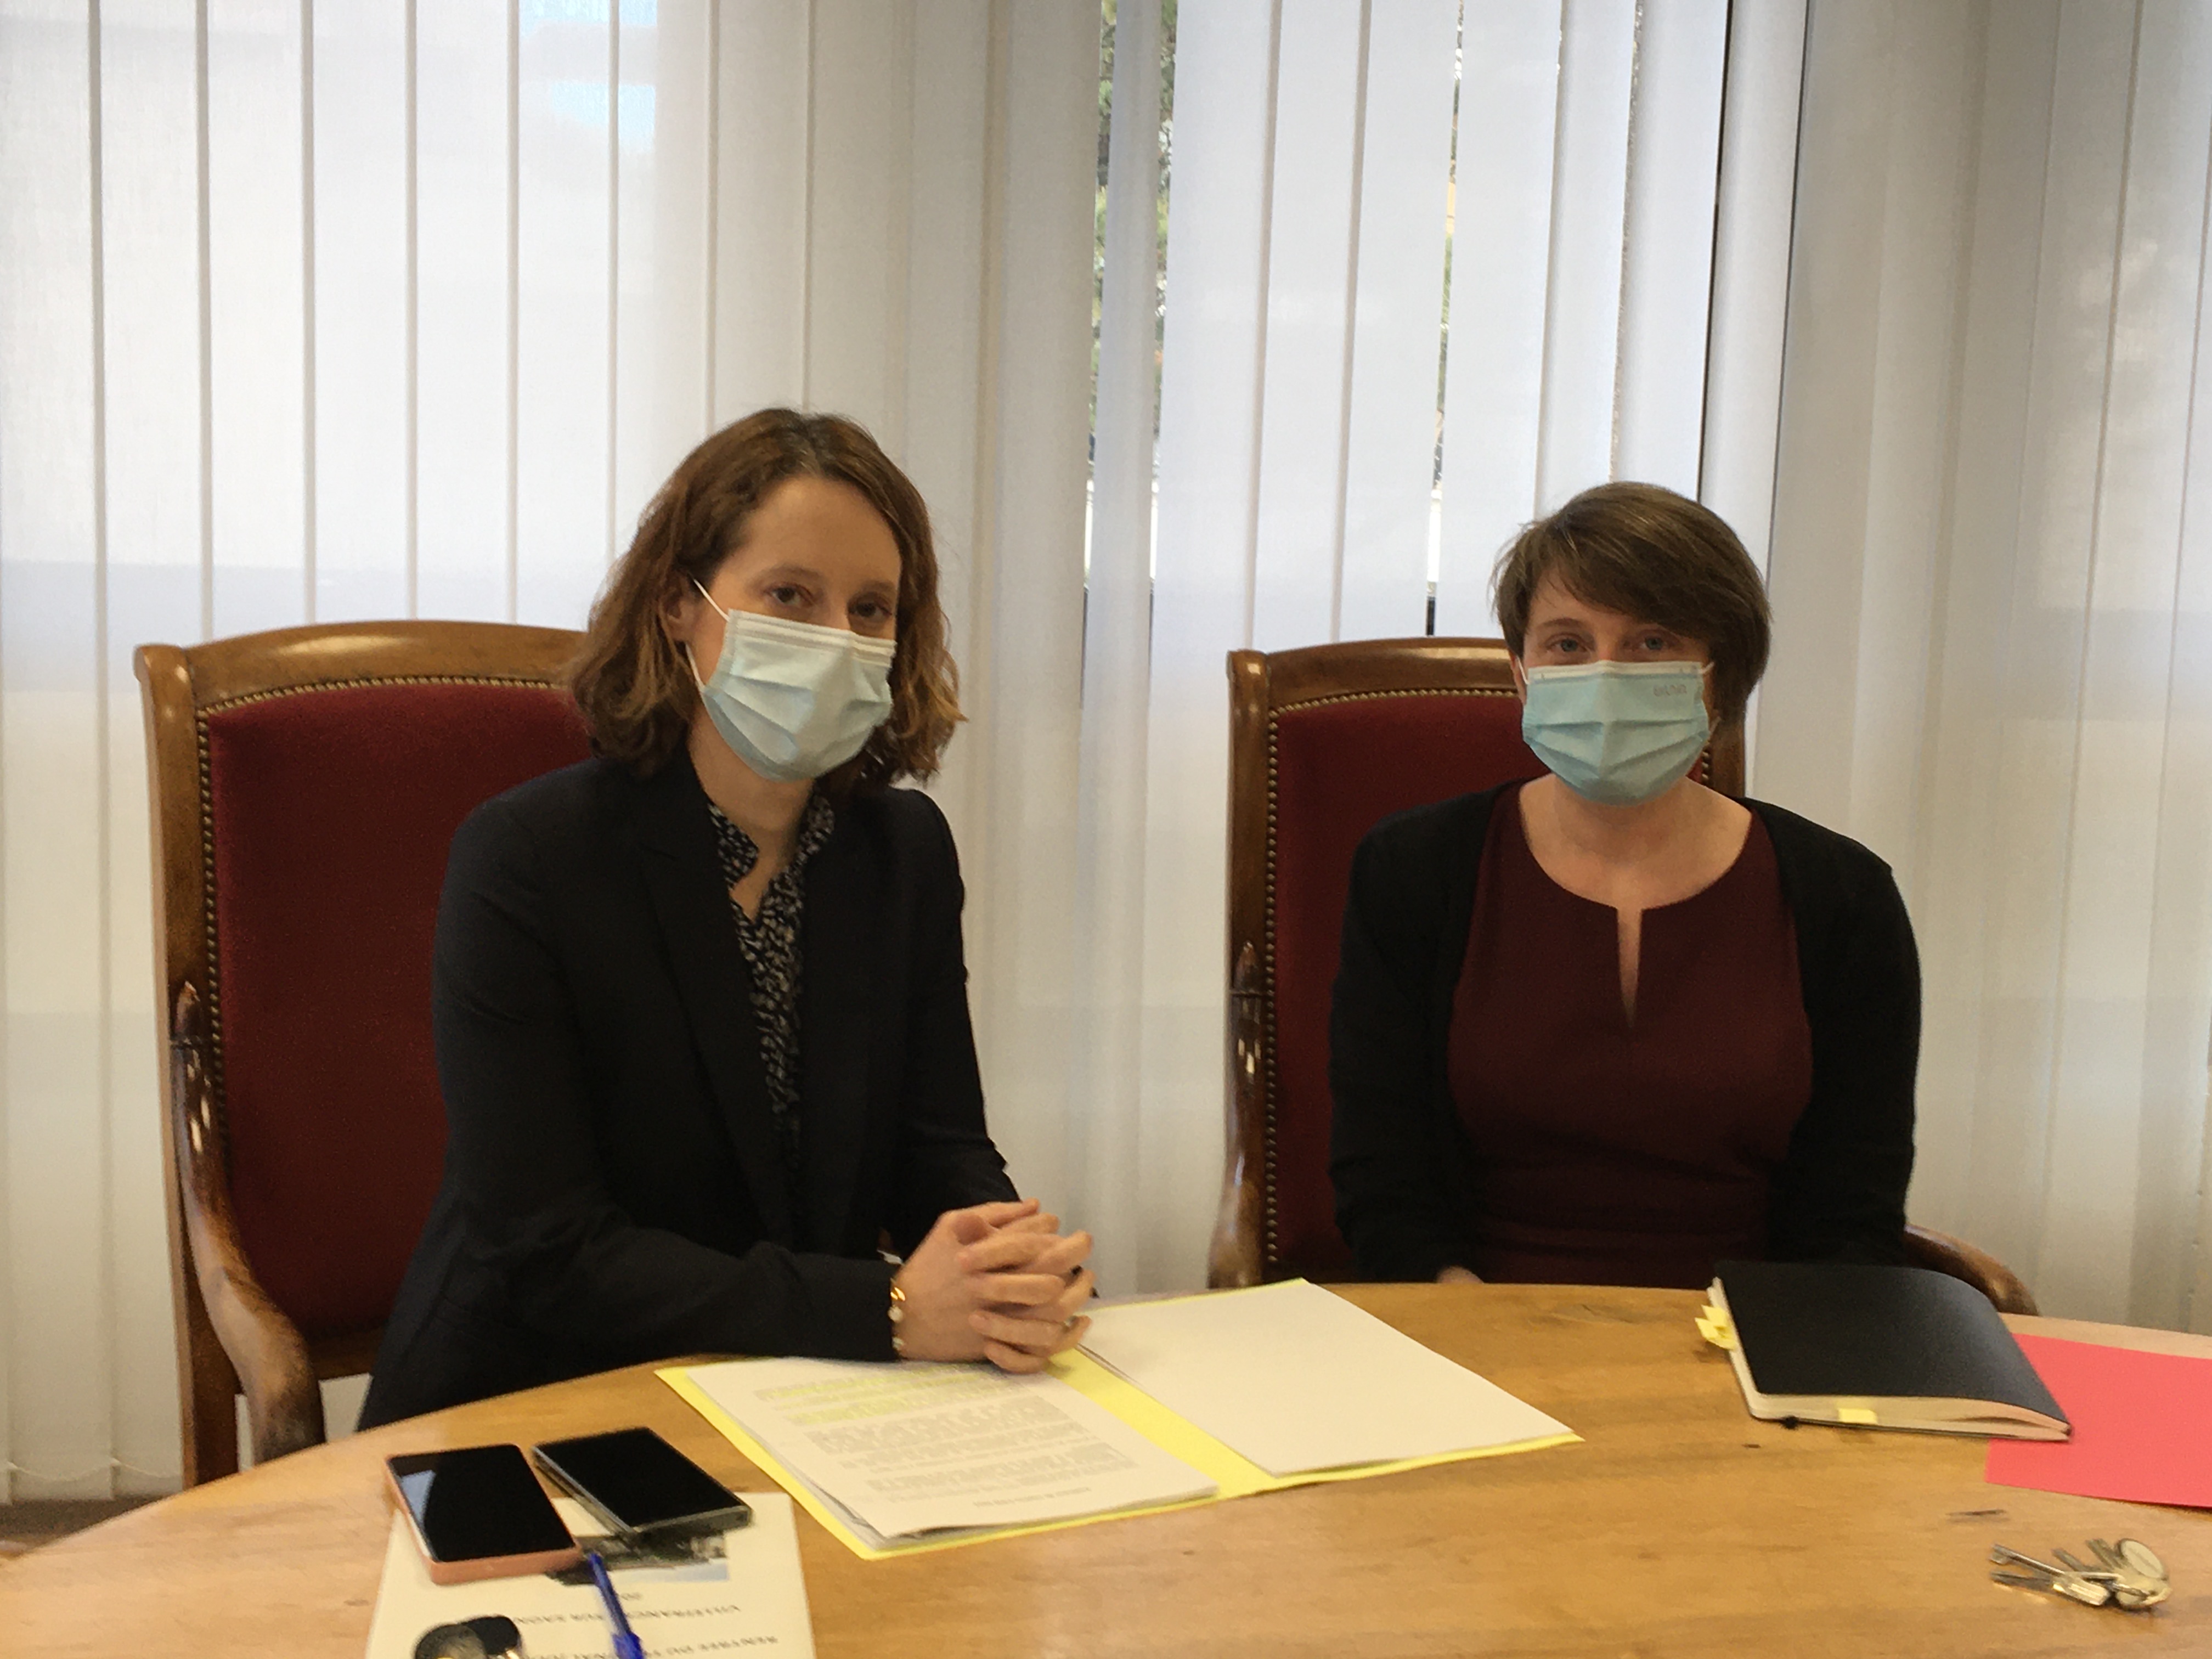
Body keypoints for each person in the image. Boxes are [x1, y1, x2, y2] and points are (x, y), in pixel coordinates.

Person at [361, 410, 1093, 1427]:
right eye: (790, 596)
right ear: (679, 604)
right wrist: (884, 1308)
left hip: (804, 1390)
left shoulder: (904, 852)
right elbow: (549, 1251)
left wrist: (1002, 1269)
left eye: (872, 609)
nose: (836, 639)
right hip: (540, 1395)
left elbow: (938, 1148)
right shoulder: (527, 857)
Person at [1328, 482, 1916, 1291]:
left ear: (1719, 674)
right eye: (1568, 643)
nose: (1606, 675)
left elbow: (1854, 1216)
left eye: (1652, 641)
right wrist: (1471, 1328)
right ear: (1521, 673)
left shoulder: (1843, 898)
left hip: (1751, 1335)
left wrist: (1759, 1349)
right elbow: (1384, 1183)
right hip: (1471, 1326)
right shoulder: (1413, 870)